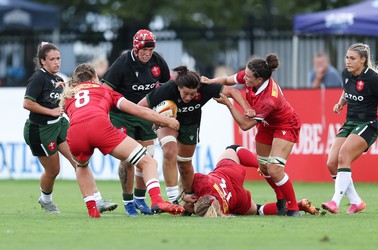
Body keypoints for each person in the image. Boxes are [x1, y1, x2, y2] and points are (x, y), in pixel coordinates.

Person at [60, 63, 184, 218]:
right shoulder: (105, 90)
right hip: (100, 127)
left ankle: (92, 209)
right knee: (147, 161)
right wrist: (166, 121)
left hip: (76, 132)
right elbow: (139, 110)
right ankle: (157, 200)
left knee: (81, 166)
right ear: (94, 78)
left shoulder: (68, 96)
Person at [202, 54, 302, 216]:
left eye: (248, 77)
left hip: (285, 126)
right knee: (263, 167)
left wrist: (229, 104)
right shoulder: (251, 75)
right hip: (267, 125)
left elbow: (246, 125)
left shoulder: (269, 100)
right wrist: (210, 81)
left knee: (274, 169)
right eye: (245, 74)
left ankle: (293, 208)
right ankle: (280, 198)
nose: (244, 78)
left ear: (260, 80)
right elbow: (228, 80)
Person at [23, 42, 117, 214]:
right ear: (43, 61)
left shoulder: (59, 79)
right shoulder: (38, 78)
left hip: (60, 125)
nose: (56, 62)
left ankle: (97, 200)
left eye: (58, 58)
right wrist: (51, 111)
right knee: (53, 171)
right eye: (52, 59)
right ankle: (46, 200)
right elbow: (27, 103)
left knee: (79, 162)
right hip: (40, 130)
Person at [138, 66, 253, 206]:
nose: (188, 97)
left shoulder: (205, 87)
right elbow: (140, 106)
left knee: (185, 164)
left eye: (192, 94)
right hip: (167, 122)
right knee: (169, 151)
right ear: (178, 87)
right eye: (185, 93)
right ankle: (173, 199)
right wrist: (157, 119)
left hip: (190, 125)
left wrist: (247, 108)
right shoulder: (168, 89)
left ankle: (188, 199)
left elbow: (233, 91)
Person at [321, 43, 378, 214]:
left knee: (343, 156)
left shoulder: (373, 80)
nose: (348, 61)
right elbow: (347, 89)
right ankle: (356, 201)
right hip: (350, 123)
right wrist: (341, 102)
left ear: (363, 60)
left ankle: (335, 202)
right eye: (347, 57)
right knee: (332, 163)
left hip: (367, 125)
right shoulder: (346, 73)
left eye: (352, 58)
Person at [102, 29, 171, 216]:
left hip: (146, 114)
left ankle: (140, 199)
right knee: (128, 158)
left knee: (148, 155)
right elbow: (105, 89)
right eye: (144, 49)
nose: (147, 53)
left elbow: (167, 87)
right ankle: (128, 201)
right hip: (122, 114)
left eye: (150, 49)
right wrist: (103, 113)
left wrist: (162, 112)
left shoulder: (158, 62)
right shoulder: (123, 63)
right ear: (136, 47)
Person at [181, 145, 320, 217]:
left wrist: (186, 201)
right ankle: (261, 165)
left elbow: (192, 207)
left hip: (236, 199)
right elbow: (186, 172)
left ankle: (297, 204)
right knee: (233, 149)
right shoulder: (200, 182)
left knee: (258, 210)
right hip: (227, 174)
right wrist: (183, 192)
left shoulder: (221, 210)